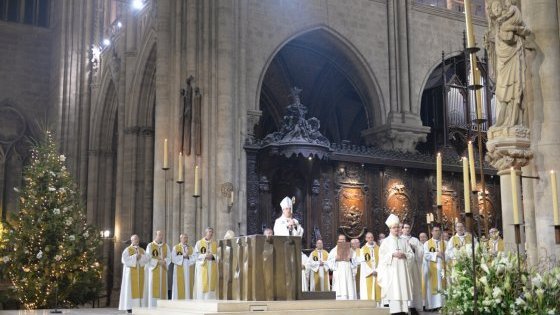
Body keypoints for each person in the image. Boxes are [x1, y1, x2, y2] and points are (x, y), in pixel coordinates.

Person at [377, 214, 414, 315]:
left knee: (403, 290)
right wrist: (392, 254)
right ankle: (395, 311)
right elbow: (382, 258)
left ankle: (404, 310)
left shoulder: (404, 241)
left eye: (398, 227)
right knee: (395, 292)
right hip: (392, 273)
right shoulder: (385, 242)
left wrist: (404, 254)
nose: (397, 229)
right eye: (394, 227)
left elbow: (411, 254)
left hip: (403, 271)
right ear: (390, 229)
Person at [119, 235, 149, 312]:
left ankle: (140, 306)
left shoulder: (142, 250)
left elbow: (147, 258)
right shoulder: (127, 250)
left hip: (140, 273)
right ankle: (130, 307)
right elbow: (124, 260)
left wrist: (140, 257)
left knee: (141, 290)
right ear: (131, 240)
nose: (137, 240)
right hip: (131, 275)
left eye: (137, 239)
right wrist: (135, 257)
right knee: (130, 290)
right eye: (135, 239)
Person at [401, 223, 422, 315]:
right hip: (404, 266)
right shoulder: (399, 240)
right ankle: (405, 307)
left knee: (414, 286)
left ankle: (413, 306)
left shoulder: (415, 240)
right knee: (404, 285)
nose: (407, 229)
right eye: (405, 228)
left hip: (413, 267)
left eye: (408, 228)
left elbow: (421, 253)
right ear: (402, 229)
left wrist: (415, 249)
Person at [146, 230, 171, 307]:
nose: (161, 237)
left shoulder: (166, 246)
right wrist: (157, 262)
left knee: (162, 289)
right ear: (156, 235)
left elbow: (169, 257)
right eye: (159, 235)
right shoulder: (150, 246)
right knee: (153, 289)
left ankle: (163, 307)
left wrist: (165, 261)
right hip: (154, 270)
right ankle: (153, 307)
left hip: (163, 270)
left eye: (162, 235)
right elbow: (148, 258)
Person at [423, 226, 446, 311]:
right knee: (433, 287)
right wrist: (436, 254)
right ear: (432, 232)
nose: (437, 232)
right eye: (435, 230)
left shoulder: (445, 243)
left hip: (443, 269)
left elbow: (449, 254)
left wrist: (444, 255)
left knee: (443, 286)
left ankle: (443, 304)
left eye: (439, 230)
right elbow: (425, 255)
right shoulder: (427, 243)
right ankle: (433, 305)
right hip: (432, 269)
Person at [328, 234, 356, 300]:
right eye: (341, 239)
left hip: (347, 271)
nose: (342, 241)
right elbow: (328, 262)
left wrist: (351, 258)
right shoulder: (333, 250)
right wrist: (335, 258)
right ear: (338, 240)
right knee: (339, 286)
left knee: (348, 285)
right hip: (338, 270)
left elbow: (355, 261)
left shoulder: (350, 250)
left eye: (343, 239)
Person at [194, 227, 218, 299]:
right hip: (202, 268)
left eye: (212, 232)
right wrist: (205, 256)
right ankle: (201, 301)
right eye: (209, 232)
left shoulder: (215, 244)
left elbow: (219, 255)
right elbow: (195, 255)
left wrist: (212, 256)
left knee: (211, 284)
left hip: (212, 268)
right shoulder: (199, 243)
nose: (211, 233)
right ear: (206, 233)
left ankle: (211, 301)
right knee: (202, 284)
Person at [171, 234, 196, 300]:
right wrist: (183, 256)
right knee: (179, 286)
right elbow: (173, 258)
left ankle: (188, 300)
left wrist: (188, 257)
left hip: (188, 270)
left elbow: (195, 258)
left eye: (187, 238)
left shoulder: (191, 248)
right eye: (184, 238)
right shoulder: (176, 247)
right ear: (180, 239)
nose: (186, 239)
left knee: (188, 285)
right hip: (179, 270)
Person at [359, 232, 381, 304]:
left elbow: (381, 261)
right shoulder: (363, 249)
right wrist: (371, 271)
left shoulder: (378, 248)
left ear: (373, 238)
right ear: (366, 239)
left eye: (371, 237)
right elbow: (364, 263)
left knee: (378, 291)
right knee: (369, 292)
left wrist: (377, 270)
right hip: (369, 274)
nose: (370, 239)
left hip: (378, 273)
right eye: (368, 238)